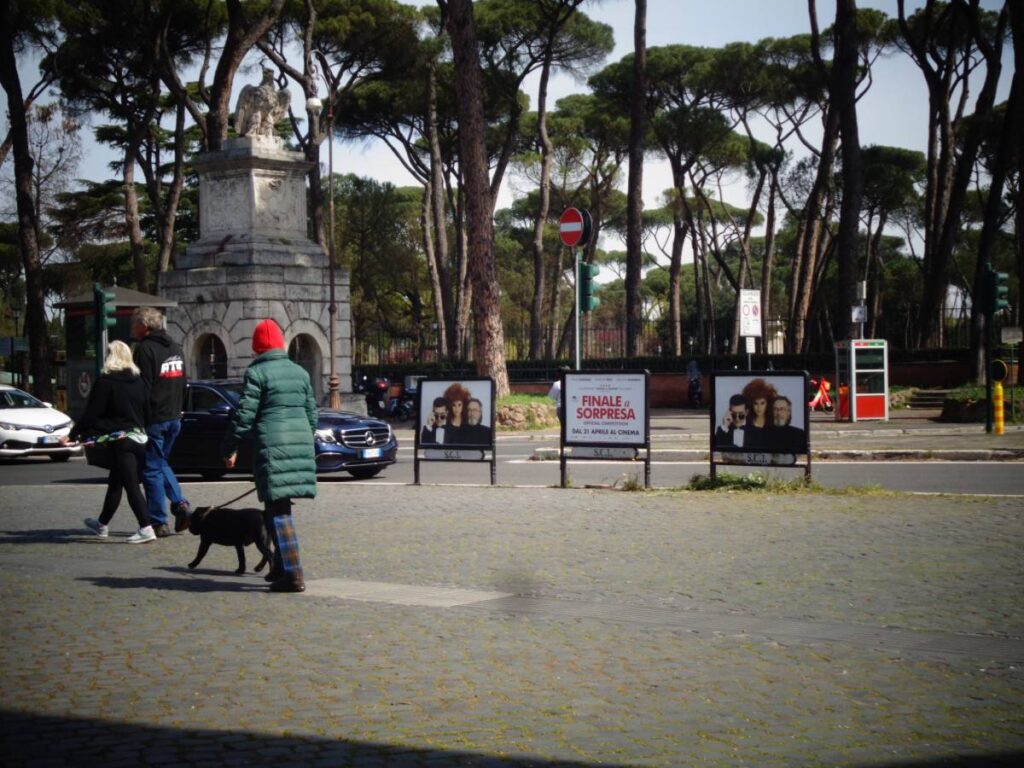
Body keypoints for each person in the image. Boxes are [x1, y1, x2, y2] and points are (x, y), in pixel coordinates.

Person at [223, 319, 317, 593]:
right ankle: (279, 565)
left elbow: (244, 416)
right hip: (298, 444)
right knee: (275, 506)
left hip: (272, 446)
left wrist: (229, 447)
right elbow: (312, 414)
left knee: (279, 511)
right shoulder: (299, 372)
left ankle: (294, 574)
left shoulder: (257, 373)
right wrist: (302, 440)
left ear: (257, 348)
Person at [65, 341, 155, 544]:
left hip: (119, 441)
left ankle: (146, 527)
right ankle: (102, 523)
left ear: (109, 357)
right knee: (116, 481)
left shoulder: (106, 382)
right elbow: (148, 414)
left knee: (131, 485)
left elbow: (91, 414)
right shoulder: (139, 382)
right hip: (138, 438)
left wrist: (74, 435)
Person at [131, 307, 190, 537]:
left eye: (135, 324)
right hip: (175, 416)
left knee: (152, 469)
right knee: (161, 462)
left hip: (155, 418)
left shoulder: (145, 350)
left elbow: (142, 387)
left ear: (145, 326)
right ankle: (181, 505)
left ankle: (159, 521)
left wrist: (139, 417)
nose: (132, 328)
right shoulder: (176, 347)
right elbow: (184, 382)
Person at [740, 378, 779, 450]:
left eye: (762, 403)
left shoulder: (774, 424)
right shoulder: (745, 424)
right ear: (751, 404)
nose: (759, 407)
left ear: (768, 403)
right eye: (755, 403)